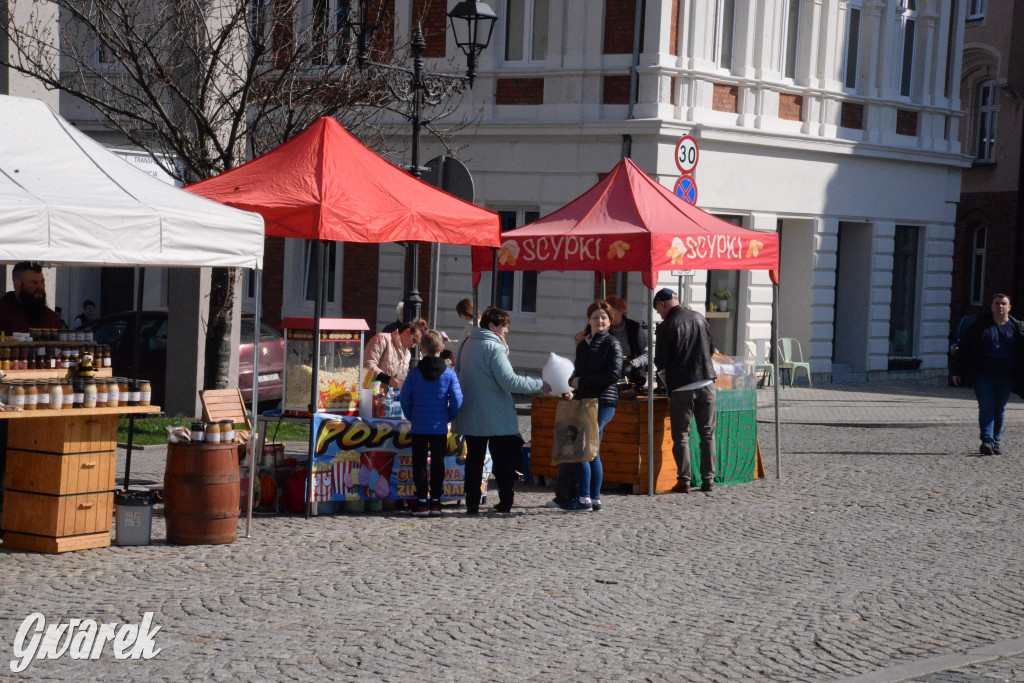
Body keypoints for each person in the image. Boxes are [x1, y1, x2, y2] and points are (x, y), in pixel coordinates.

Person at [452, 307, 546, 514]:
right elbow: (510, 381)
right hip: (495, 415)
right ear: (493, 326)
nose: (507, 331)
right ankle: (505, 501)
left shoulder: (467, 343)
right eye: (504, 326)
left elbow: (458, 373)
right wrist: (541, 385)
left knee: (474, 460)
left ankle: (472, 503)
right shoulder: (493, 347)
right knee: (502, 461)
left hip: (471, 411)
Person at [653, 288, 717, 493]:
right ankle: (709, 479)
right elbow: (711, 348)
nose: (659, 314)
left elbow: (661, 361)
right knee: (707, 434)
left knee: (681, 435)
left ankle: (685, 480)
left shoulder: (666, 326)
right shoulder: (699, 317)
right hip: (707, 382)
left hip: (682, 386)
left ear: (662, 304)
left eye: (658, 309)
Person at [562, 300, 622, 511]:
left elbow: (614, 375)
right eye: (595, 317)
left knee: (582, 448)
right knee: (592, 452)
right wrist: (571, 383)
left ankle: (584, 499)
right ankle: (594, 499)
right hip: (584, 400)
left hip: (603, 401)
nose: (599, 321)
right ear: (589, 320)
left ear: (610, 321)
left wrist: (582, 382)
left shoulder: (611, 343)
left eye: (603, 318)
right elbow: (578, 372)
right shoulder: (585, 343)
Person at [400, 330, 463, 518]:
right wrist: (448, 417)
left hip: (419, 425)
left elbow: (405, 399)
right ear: (442, 348)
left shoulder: (413, 374)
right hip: (439, 426)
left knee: (419, 464)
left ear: (423, 348)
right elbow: (458, 401)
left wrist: (412, 415)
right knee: (438, 464)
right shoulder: (449, 374)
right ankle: (436, 502)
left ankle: (421, 503)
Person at [952, 293, 1024, 455]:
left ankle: (996, 440)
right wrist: (957, 372)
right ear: (992, 307)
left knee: (999, 409)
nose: (1000, 306)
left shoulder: (1017, 328)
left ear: (1009, 307)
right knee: (986, 407)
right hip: (983, 375)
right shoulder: (980, 326)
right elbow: (964, 349)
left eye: (1003, 304)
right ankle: (986, 440)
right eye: (997, 303)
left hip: (1006, 376)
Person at [0, 262, 64, 334]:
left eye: (42, 282)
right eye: (34, 282)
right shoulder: (3, 314)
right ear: (17, 284)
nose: (40, 287)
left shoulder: (50, 317)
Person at [363, 319, 427, 388]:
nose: (413, 346)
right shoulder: (382, 339)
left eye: (416, 344)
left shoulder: (407, 354)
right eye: (414, 340)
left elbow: (401, 377)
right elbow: (368, 365)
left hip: (390, 396)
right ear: (407, 332)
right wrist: (388, 379)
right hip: (372, 392)